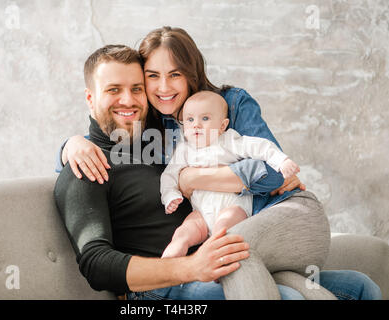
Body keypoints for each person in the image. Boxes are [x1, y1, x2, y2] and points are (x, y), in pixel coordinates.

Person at [54, 27, 382, 300]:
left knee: (359, 286)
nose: (129, 100)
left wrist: (197, 179)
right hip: (170, 285)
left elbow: (267, 172)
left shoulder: (160, 135)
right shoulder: (85, 165)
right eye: (114, 89)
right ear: (90, 98)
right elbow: (97, 264)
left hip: (226, 248)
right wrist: (71, 146)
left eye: (137, 88)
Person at [161, 90, 300, 258]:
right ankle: (170, 263)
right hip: (201, 211)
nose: (196, 124)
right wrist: (170, 195)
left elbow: (260, 147)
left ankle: (216, 260)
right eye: (190, 119)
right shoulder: (184, 149)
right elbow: (169, 175)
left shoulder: (229, 141)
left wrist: (281, 161)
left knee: (224, 230)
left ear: (222, 126)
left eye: (205, 118)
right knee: (183, 232)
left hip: (233, 206)